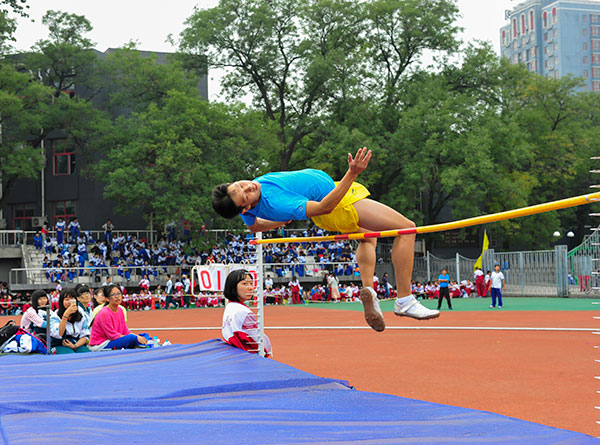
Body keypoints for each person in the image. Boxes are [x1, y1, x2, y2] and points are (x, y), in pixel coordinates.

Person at [212, 148, 439, 332]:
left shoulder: (250, 204)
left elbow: (253, 226)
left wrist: (278, 222)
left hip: (336, 196)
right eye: (246, 195)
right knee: (407, 229)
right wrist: (352, 173)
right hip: (339, 204)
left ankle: (369, 290)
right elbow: (323, 207)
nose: (248, 186)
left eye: (240, 185)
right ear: (246, 207)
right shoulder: (276, 202)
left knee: (368, 240)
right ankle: (404, 300)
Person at [222, 269, 272, 356]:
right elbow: (256, 340)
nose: (250, 287)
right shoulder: (243, 312)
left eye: (251, 283)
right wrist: (266, 352)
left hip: (235, 353)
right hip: (248, 356)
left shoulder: (230, 307)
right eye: (244, 284)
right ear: (233, 286)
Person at [89, 284, 147, 351]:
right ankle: (138, 343)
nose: (117, 296)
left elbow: (125, 331)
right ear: (107, 298)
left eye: (118, 293)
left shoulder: (120, 310)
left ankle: (139, 342)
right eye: (113, 295)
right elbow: (112, 336)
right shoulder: (104, 313)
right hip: (102, 344)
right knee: (132, 338)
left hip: (113, 340)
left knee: (144, 335)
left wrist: (138, 337)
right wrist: (135, 338)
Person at [49, 288, 91, 354]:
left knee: (87, 355)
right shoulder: (55, 316)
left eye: (72, 299)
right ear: (61, 301)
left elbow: (85, 335)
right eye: (66, 299)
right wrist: (65, 316)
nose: (70, 302)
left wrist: (75, 346)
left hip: (77, 343)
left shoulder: (81, 314)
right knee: (71, 355)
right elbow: (58, 334)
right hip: (59, 344)